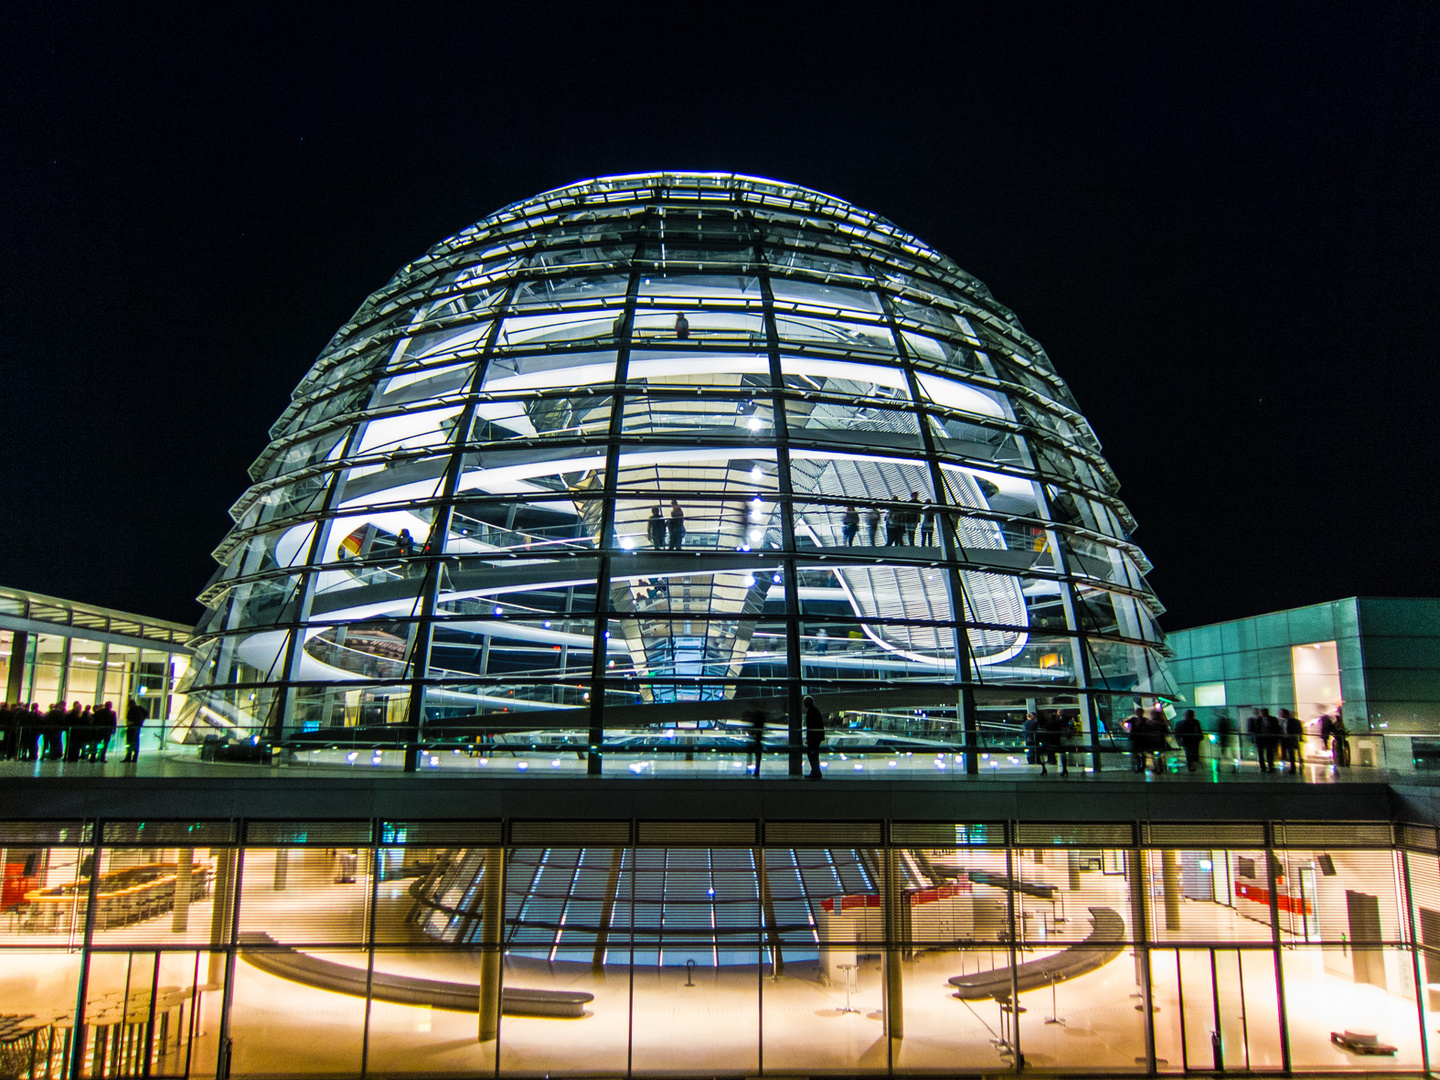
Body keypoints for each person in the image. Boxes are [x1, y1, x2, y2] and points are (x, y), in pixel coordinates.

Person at [803, 695, 826, 779]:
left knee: (812, 754)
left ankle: (815, 772)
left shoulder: (811, 712)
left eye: (805, 702)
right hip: (816, 737)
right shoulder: (814, 711)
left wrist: (809, 739)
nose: (803, 704)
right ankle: (815, 771)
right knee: (814, 754)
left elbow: (811, 727)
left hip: (814, 738)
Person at [743, 705, 767, 777]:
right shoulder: (759, 715)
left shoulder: (758, 716)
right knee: (756, 755)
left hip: (756, 738)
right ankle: (755, 771)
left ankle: (751, 771)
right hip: (757, 738)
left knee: (753, 753)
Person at [123, 698, 147, 763]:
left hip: (131, 727)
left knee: (130, 742)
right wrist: (141, 721)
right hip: (137, 726)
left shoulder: (131, 710)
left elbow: (129, 719)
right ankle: (134, 757)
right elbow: (146, 713)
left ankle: (128, 757)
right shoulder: (140, 709)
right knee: (135, 742)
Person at [1125, 704, 1148, 773]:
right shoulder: (1143, 720)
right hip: (1138, 738)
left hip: (1139, 738)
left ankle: (1141, 766)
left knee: (1139, 753)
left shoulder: (1135, 720)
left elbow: (1125, 721)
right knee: (1138, 754)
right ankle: (1140, 766)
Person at [1280, 708, 1302, 774]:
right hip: (1284, 740)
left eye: (1281, 713)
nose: (1280, 714)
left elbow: (1297, 730)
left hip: (1291, 740)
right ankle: (1291, 767)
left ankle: (1293, 768)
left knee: (1291, 754)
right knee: (1287, 754)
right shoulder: (1282, 721)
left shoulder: (1294, 721)